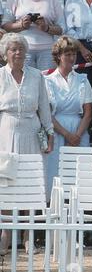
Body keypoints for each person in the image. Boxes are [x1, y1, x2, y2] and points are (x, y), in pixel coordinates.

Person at [0, 33, 54, 255]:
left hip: (32, 132)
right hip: (6, 132)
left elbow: (44, 106)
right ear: (5, 53)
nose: (18, 53)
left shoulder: (36, 76)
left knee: (30, 184)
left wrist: (49, 132)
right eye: (13, 49)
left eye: (21, 49)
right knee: (6, 183)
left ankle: (28, 236)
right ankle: (5, 234)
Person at [44, 36, 92, 200]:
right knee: (55, 173)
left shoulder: (83, 80)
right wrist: (66, 135)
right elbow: (47, 114)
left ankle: (77, 218)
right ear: (58, 56)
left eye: (73, 54)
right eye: (67, 54)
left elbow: (88, 112)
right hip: (57, 131)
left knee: (77, 174)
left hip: (79, 131)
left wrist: (77, 136)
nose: (72, 58)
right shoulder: (47, 81)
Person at [1, 0, 65, 71]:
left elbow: (61, 29)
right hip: (22, 50)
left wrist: (46, 28)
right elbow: (5, 26)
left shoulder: (54, 1)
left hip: (47, 52)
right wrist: (21, 25)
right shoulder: (14, 0)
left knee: (47, 81)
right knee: (24, 80)